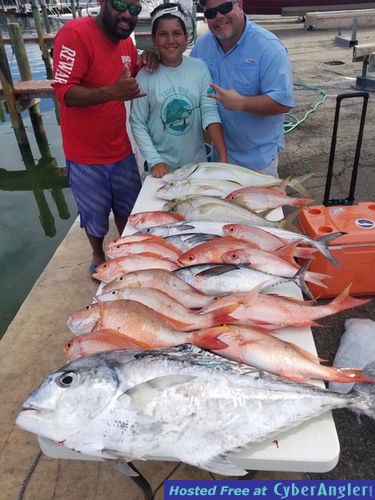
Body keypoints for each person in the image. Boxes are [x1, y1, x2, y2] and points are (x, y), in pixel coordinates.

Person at [52, 0, 158, 281]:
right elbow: (66, 93)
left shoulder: (126, 43)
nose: (127, 15)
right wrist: (112, 92)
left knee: (127, 207)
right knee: (94, 215)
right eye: (120, 4)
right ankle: (97, 253)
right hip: (85, 155)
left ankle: (126, 248)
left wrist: (145, 59)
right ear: (101, 2)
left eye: (134, 10)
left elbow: (127, 78)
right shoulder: (74, 33)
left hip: (120, 148)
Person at [190, 0, 295, 176]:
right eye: (210, 13)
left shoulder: (268, 47)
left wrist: (241, 103)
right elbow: (183, 73)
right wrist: (152, 58)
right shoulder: (202, 45)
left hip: (257, 162)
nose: (219, 17)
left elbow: (283, 102)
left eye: (224, 8)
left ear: (239, 5)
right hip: (218, 157)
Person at [130, 2, 227, 178]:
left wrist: (223, 156)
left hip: (197, 167)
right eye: (163, 34)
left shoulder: (200, 69)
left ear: (186, 37)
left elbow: (209, 112)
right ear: (153, 39)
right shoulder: (144, 77)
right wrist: (154, 160)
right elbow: (138, 123)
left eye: (176, 33)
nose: (171, 40)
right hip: (159, 171)